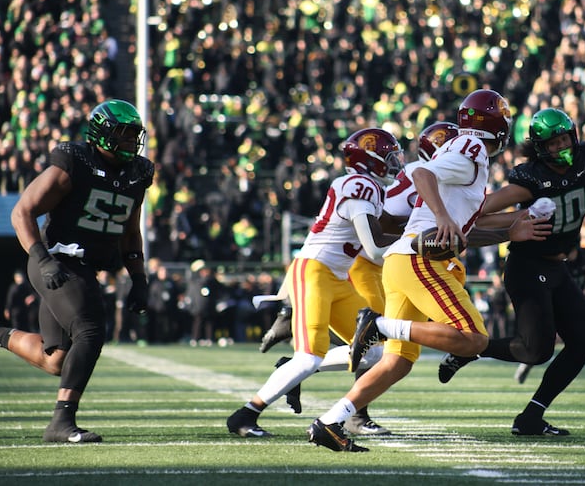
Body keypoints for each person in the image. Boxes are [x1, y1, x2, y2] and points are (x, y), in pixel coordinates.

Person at [306, 89, 552, 452]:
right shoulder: (471, 149)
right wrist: (439, 215)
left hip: (404, 263)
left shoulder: (470, 157)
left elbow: (467, 226)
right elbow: (420, 170)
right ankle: (379, 325)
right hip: (417, 261)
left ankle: (329, 421)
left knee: (397, 363)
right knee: (473, 339)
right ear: (498, 125)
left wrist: (512, 228)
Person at [437, 107, 585, 436]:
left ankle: (530, 417)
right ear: (539, 147)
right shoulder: (531, 179)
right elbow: (478, 212)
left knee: (582, 344)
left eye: (564, 139)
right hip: (527, 265)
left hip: (558, 267)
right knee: (535, 351)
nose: (560, 147)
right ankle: (471, 348)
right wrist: (510, 223)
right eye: (552, 144)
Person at [255, 122, 461, 436]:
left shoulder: (429, 179)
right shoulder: (417, 176)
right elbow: (378, 230)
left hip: (383, 262)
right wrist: (418, 239)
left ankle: (302, 373)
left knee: (381, 345)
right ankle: (355, 415)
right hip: (370, 263)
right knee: (387, 341)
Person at [0, 99, 153, 443]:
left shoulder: (138, 173)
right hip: (58, 260)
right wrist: (42, 260)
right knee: (90, 331)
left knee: (56, 359)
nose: (130, 142)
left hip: (85, 265)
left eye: (134, 134)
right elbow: (22, 212)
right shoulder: (74, 162)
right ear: (101, 134)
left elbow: (130, 229)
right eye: (123, 134)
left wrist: (139, 277)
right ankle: (61, 423)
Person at [226, 127, 404, 438]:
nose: (394, 163)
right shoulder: (359, 185)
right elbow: (375, 250)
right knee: (309, 357)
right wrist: (415, 245)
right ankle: (245, 414)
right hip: (315, 272)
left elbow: (373, 247)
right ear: (370, 160)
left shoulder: (370, 187)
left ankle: (289, 370)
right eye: (388, 157)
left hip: (336, 276)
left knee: (373, 350)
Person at [513, 246, 585, 387]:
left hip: (578, 303)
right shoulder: (554, 260)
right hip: (557, 304)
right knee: (553, 339)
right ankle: (531, 359)